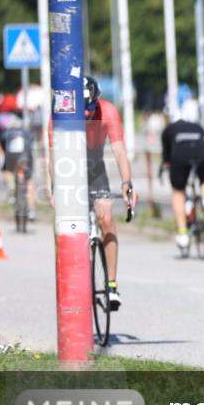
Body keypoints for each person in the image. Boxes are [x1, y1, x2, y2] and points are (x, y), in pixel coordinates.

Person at [74, 76, 138, 309]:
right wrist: (53, 187)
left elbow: (120, 151)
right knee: (66, 226)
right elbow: (52, 154)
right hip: (69, 168)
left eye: (91, 107)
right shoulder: (61, 111)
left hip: (95, 167)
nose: (88, 113)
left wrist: (127, 183)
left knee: (107, 220)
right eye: (83, 109)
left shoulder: (108, 111)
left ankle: (111, 286)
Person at [161, 100, 204, 251]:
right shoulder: (197, 126)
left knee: (178, 192)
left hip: (180, 155)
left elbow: (167, 157)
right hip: (202, 152)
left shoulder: (169, 129)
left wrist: (166, 165)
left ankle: (183, 234)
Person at [0, 116, 37, 219]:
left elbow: (3, 146)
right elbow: (31, 144)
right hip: (26, 158)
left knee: (7, 171)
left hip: (11, 157)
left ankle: (11, 187)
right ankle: (31, 210)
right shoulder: (27, 132)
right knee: (29, 181)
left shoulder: (7, 133)